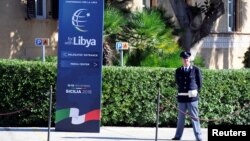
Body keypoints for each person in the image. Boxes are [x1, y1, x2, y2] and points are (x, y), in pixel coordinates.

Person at [172, 51, 203, 141]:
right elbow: (178, 82)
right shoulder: (178, 71)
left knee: (194, 117)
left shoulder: (196, 70)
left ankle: (198, 136)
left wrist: (194, 92)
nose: (186, 60)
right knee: (181, 118)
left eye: (187, 58)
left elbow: (199, 83)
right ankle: (178, 136)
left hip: (192, 98)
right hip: (182, 97)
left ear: (190, 59)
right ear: (182, 59)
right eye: (184, 59)